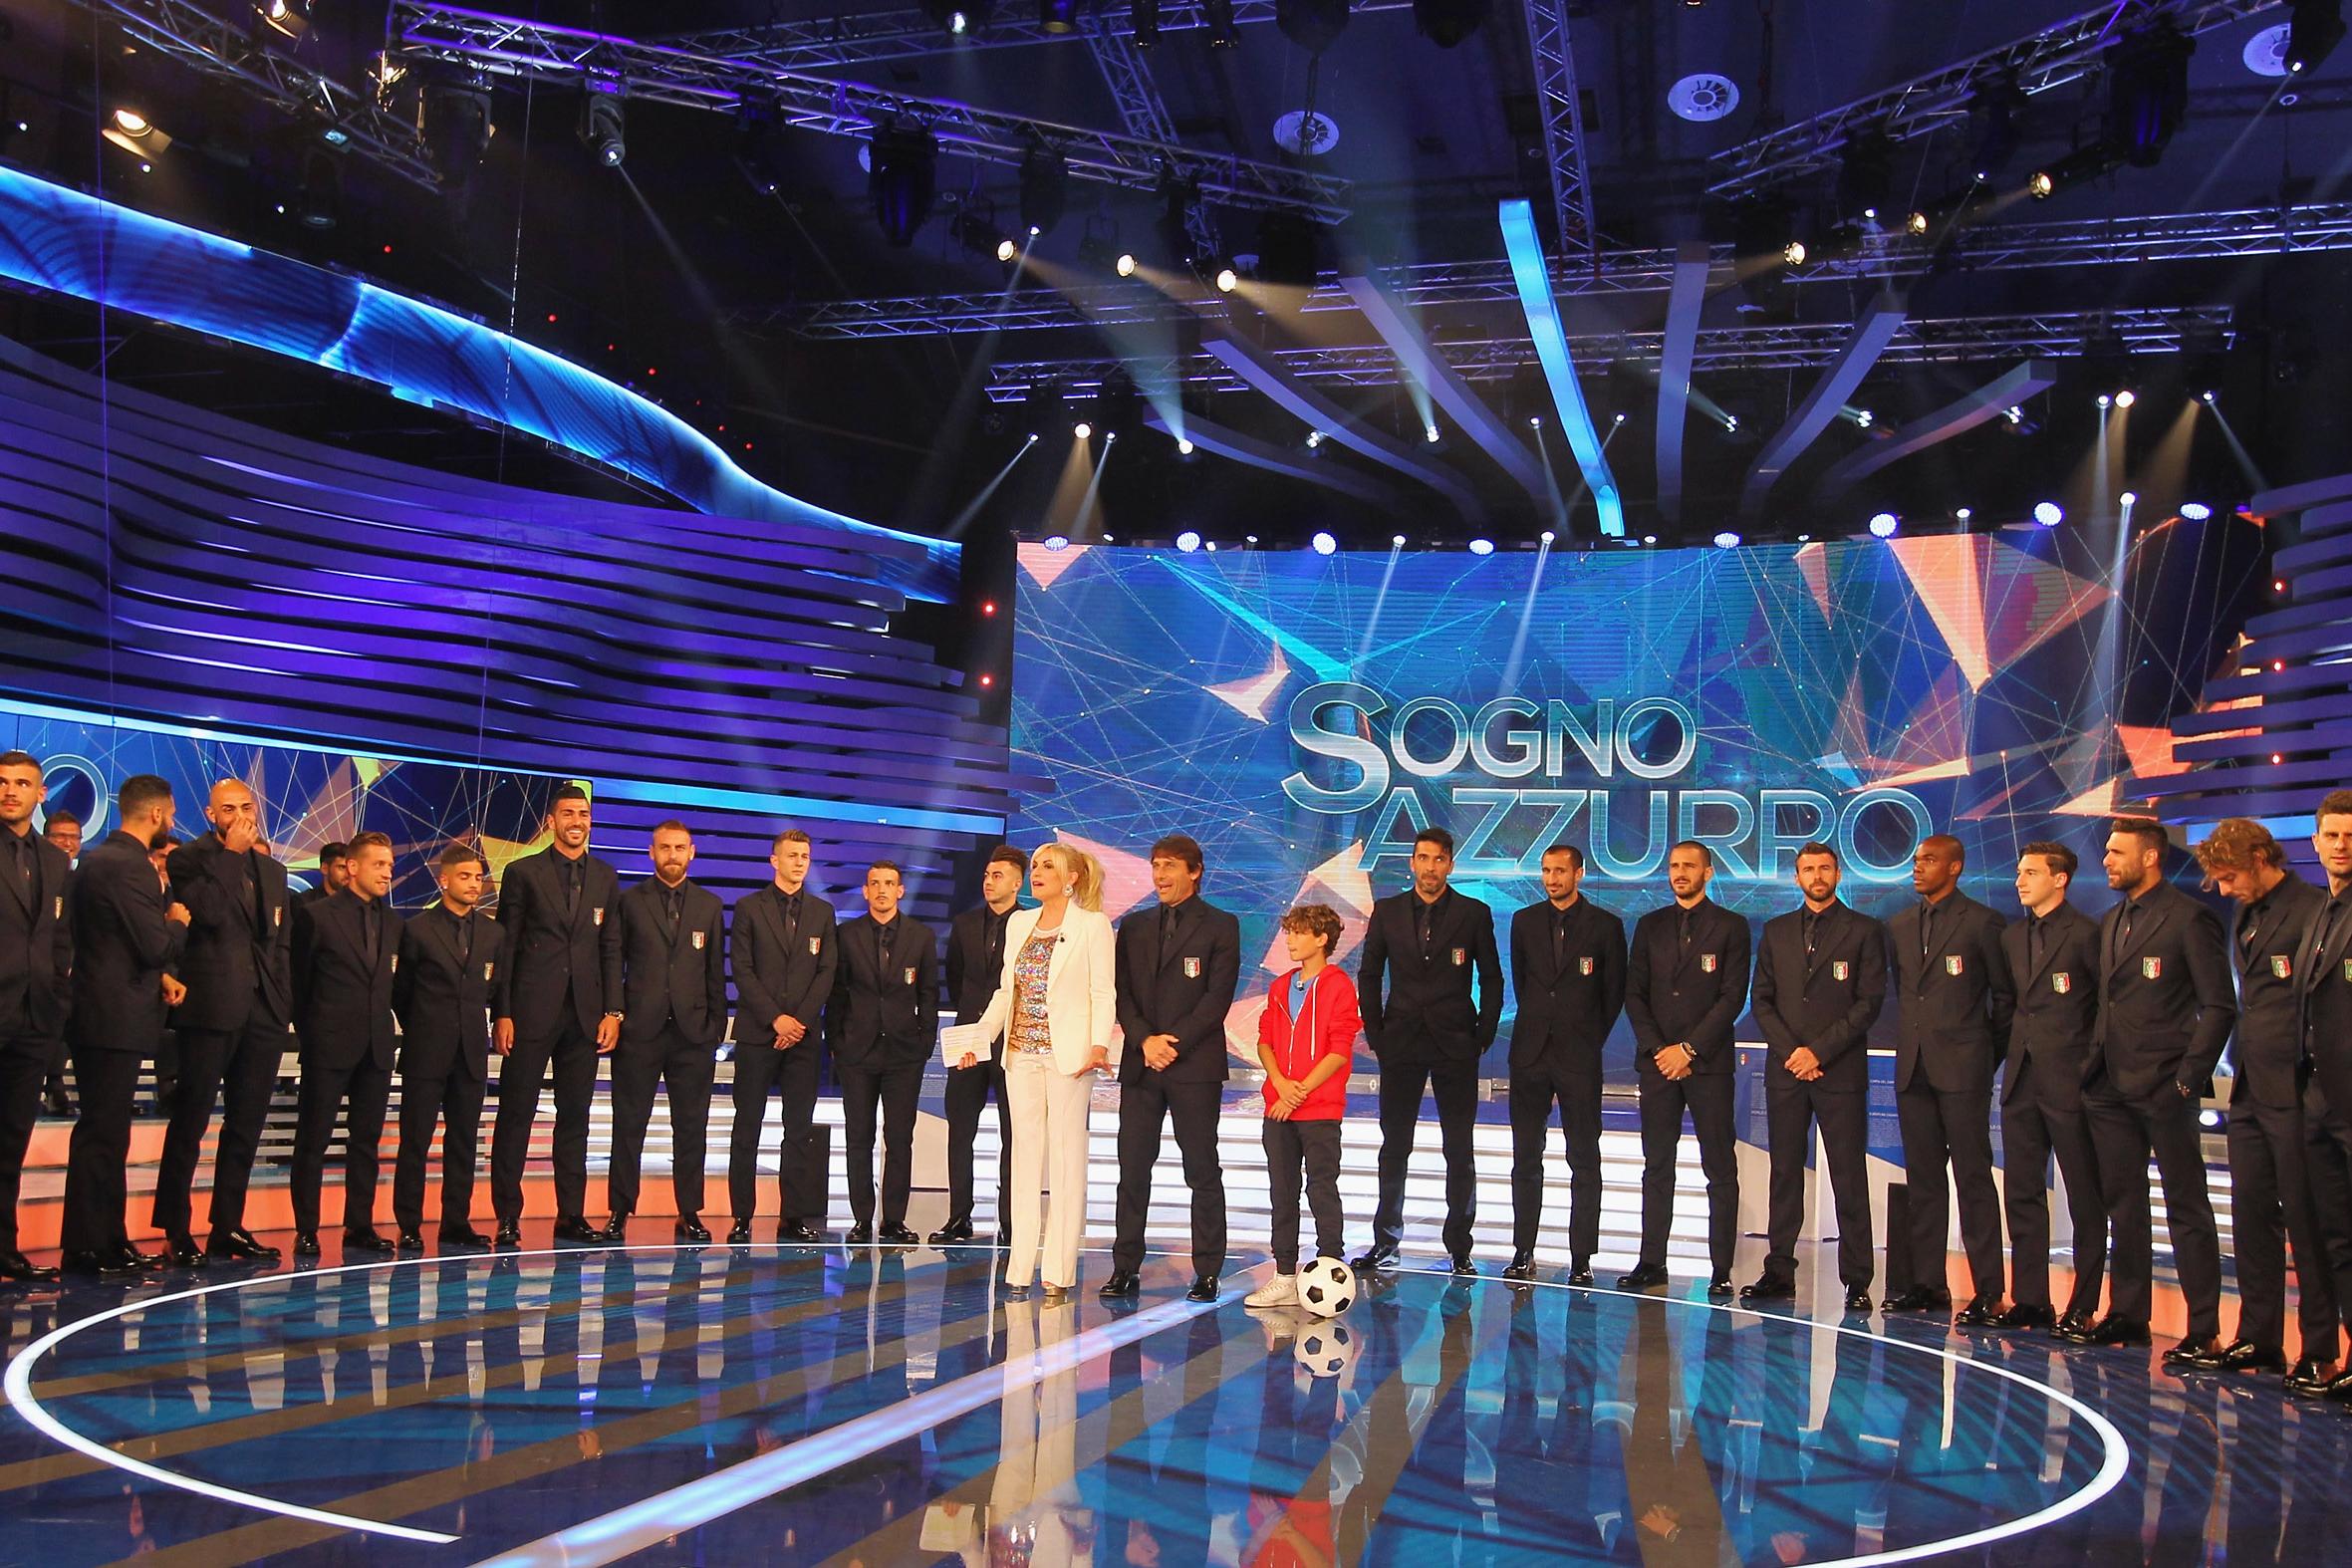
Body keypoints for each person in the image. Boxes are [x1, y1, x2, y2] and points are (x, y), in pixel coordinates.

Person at [2067, 817, 2234, 1367]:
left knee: (2186, 1206)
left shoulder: (2190, 918)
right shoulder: (2112, 919)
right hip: (2108, 1085)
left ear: (2150, 857)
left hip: (2165, 1086)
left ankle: (2204, 1328)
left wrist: (2187, 1078)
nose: (2106, 861)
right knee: (2124, 1205)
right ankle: (2128, 1314)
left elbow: (2219, 1006)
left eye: (2117, 852)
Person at [2196, 818, 2330, 1380]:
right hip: (2250, 1086)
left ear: (2258, 858)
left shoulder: (2314, 909)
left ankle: (2319, 1347)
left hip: (2298, 1090)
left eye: (2230, 877)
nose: (2226, 890)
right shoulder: (2246, 913)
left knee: (2307, 1220)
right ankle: (2259, 1336)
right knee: (2251, 1214)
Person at [962, 843, 1115, 1300]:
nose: (1037, 872)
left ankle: (1059, 1269)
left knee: (1066, 1159)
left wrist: (1099, 1043)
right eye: (1035, 866)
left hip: (1070, 1057)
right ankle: (1020, 1264)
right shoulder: (1019, 923)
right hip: (1020, 1054)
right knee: (1023, 1158)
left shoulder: (1092, 925)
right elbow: (1005, 993)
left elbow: (1102, 992)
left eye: (1048, 866)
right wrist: (978, 1039)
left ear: (1071, 878)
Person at [150, 779, 291, 1267]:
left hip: (263, 1011)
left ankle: (227, 1226)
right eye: (228, 809)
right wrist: (231, 854)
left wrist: (281, 1001)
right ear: (212, 815)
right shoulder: (189, 859)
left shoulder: (273, 869)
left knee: (246, 1124)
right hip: (210, 1008)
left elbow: (279, 942)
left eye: (247, 807)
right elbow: (207, 914)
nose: (240, 816)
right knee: (190, 1121)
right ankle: (175, 1228)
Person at [1353, 827, 1503, 1276]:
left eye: (1438, 859)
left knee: (1458, 1147)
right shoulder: (1388, 911)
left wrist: (1482, 1033)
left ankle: (1459, 1246)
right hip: (1400, 1041)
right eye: (1423, 858)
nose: (1430, 867)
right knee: (1394, 1146)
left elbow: (1492, 977)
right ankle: (1385, 1241)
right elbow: (1369, 973)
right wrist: (1375, 1033)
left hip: (1456, 1043)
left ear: (1450, 865)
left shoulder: (1473, 913)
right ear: (1412, 863)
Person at [1745, 842, 1887, 1310]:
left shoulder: (1864, 930)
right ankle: (1778, 1271)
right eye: (1808, 869)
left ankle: (1857, 1279)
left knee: (1848, 1175)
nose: (1817, 876)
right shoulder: (1776, 931)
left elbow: (1868, 1003)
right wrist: (1793, 1053)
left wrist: (1818, 1051)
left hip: (1838, 1069)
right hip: (1786, 1071)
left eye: (1825, 868)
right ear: (1797, 877)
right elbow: (1762, 999)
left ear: (1838, 874)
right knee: (1785, 1172)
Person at [1104, 833, 1241, 1303]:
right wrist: (1145, 1040)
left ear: (1194, 872)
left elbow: (1216, 1000)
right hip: (1142, 1065)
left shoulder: (1221, 925)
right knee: (1132, 1168)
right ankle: (1125, 1266)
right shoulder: (1135, 926)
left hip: (1194, 1067)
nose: (1159, 875)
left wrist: (1171, 1045)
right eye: (1155, 865)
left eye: (1169, 866)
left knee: (1201, 1168)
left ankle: (1207, 1271)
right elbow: (1122, 993)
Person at [1884, 834, 2013, 1324]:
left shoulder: (1983, 922)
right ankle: (1926, 1283)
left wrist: (1982, 1057)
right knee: (1923, 1181)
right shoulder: (1899, 925)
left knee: (1973, 1178)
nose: (1918, 867)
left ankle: (1988, 1290)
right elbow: (1906, 993)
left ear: (1955, 867)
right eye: (1917, 860)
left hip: (1964, 1070)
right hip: (1913, 1069)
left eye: (1930, 860)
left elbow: (2004, 1000)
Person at [62, 774, 188, 1276]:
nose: (172, 821)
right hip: (111, 1017)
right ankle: (90, 1245)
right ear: (156, 813)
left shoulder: (101, 860)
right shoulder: (129, 865)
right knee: (102, 1133)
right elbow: (154, 945)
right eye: (171, 813)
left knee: (108, 1132)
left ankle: (107, 1240)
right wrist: (177, 920)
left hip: (103, 1012)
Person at [490, 784, 623, 1247]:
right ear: (551, 822)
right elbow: (506, 947)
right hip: (529, 1012)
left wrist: (613, 1011)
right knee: (516, 1115)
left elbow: (611, 949)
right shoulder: (522, 872)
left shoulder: (605, 876)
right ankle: (508, 1215)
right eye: (568, 813)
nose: (576, 821)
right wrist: (502, 1012)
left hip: (585, 1016)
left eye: (583, 814)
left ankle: (571, 1215)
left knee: (575, 1119)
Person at [1620, 841, 1749, 1295]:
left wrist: (1688, 1050)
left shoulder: (1731, 926)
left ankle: (1721, 1269)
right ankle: (1651, 1261)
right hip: (1658, 1065)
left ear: (1707, 873)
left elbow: (1731, 997)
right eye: (1674, 865)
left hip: (1707, 1065)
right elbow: (1634, 994)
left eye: (1689, 866)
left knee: (1720, 1167)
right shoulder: (1650, 925)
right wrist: (1661, 1050)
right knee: (1657, 1165)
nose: (1680, 873)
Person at [1502, 843, 1625, 1286]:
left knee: (1584, 1158)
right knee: (1525, 1158)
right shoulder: (1524, 921)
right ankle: (1523, 1250)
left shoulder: (1606, 926)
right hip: (1530, 1054)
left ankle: (1581, 1257)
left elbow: (1612, 995)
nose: (1552, 879)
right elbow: (1523, 984)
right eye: (1546, 871)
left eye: (1560, 871)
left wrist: (1585, 1036)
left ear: (1579, 873)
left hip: (1579, 1055)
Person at [1996, 842, 2106, 1335]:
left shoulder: (2086, 934)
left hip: (2072, 1081)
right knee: (2022, 1192)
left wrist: (2088, 1069)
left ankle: (2083, 1304)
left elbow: (2102, 1009)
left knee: (2084, 1196)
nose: (2020, 881)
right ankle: (2031, 1299)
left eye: (2031, 873)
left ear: (2060, 879)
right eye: (2019, 872)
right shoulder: (2013, 935)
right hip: (2022, 1079)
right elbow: (2009, 1006)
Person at [604, 821, 727, 1243]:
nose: (672, 854)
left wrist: (715, 1027)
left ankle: (689, 1212)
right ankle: (620, 1210)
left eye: (679, 848)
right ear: (651, 852)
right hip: (640, 1029)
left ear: (691, 853)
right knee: (628, 1125)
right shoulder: (629, 902)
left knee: (691, 1127)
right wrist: (616, 1013)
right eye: (664, 847)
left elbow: (715, 972)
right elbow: (614, 962)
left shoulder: (710, 906)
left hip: (693, 1034)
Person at [289, 830, 402, 1257]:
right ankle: (307, 1228)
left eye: (390, 865)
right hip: (328, 1046)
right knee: (313, 1140)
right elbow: (299, 985)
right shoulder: (316, 917)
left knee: (365, 1142)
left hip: (376, 1048)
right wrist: (313, 1034)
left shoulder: (393, 922)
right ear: (352, 867)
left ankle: (360, 1225)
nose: (387, 873)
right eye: (379, 864)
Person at [392, 842, 506, 1250]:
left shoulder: (494, 933)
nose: (474, 884)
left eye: (478, 877)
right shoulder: (417, 930)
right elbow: (401, 992)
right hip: (426, 1050)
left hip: (471, 1053)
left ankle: (456, 1221)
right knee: (415, 1141)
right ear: (444, 881)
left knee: (463, 1142)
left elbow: (496, 989)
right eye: (465, 877)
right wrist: (424, 1027)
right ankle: (408, 1222)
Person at [1245, 904, 1360, 1308]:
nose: (1290, 940)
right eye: (1289, 932)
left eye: (1298, 933)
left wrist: (1300, 1091)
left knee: (1321, 1188)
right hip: (1278, 1108)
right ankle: (1284, 1275)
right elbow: (1265, 1040)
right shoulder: (1280, 987)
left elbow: (1339, 1050)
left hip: (1320, 1108)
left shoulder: (1338, 986)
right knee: (1283, 1191)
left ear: (1321, 939)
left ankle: (1331, 1269)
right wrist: (1280, 1084)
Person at [726, 827, 837, 1243]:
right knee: (747, 1126)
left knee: (799, 1129)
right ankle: (742, 1216)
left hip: (803, 1038)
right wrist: (776, 1019)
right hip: (759, 1033)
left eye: (805, 856)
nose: (799, 862)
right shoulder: (748, 908)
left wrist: (798, 1022)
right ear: (774, 861)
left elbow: (826, 971)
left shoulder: (822, 912)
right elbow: (742, 969)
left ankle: (793, 1216)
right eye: (792, 855)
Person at [829, 860, 938, 1245]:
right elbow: (836, 993)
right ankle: (862, 1219)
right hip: (856, 1052)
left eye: (889, 883)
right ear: (865, 890)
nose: (881, 890)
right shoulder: (846, 935)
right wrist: (837, 1042)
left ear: (900, 891)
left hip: (904, 1053)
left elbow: (929, 994)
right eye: (874, 883)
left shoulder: (921, 937)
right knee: (858, 1137)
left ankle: (894, 1220)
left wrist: (924, 1042)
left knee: (899, 1138)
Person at [0, 752, 72, 1283]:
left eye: (22, 783)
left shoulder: (54, 859)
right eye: (2, 782)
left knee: (11, 1140)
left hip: (34, 1016)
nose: (10, 791)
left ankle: (4, 1246)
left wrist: (56, 994)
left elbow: (60, 936)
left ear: (40, 794)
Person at [936, 845, 1024, 1245]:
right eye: (987, 875)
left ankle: (1010, 1221)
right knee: (960, 1129)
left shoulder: (1029, 924)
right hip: (969, 1037)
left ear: (1017, 883)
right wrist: (973, 1023)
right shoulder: (965, 923)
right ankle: (959, 1217)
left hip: (1015, 1041)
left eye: (998, 875)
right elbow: (956, 979)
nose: (989, 882)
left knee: (1015, 1134)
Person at [2297, 791, 2352, 1401]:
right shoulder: (2320, 912)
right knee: (2336, 1238)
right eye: (2332, 835)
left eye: (2350, 836)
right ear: (2315, 842)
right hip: (2317, 1099)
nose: (2341, 846)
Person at [37, 808, 79, 1120]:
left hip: (70, 972)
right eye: (60, 836)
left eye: (73, 837)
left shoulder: (81, 879)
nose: (67, 843)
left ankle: (54, 1084)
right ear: (46, 838)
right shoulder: (34, 874)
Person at [297, 842, 349, 908]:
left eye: (350, 868)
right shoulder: (303, 903)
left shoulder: (358, 902)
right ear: (325, 868)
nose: (348, 874)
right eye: (342, 867)